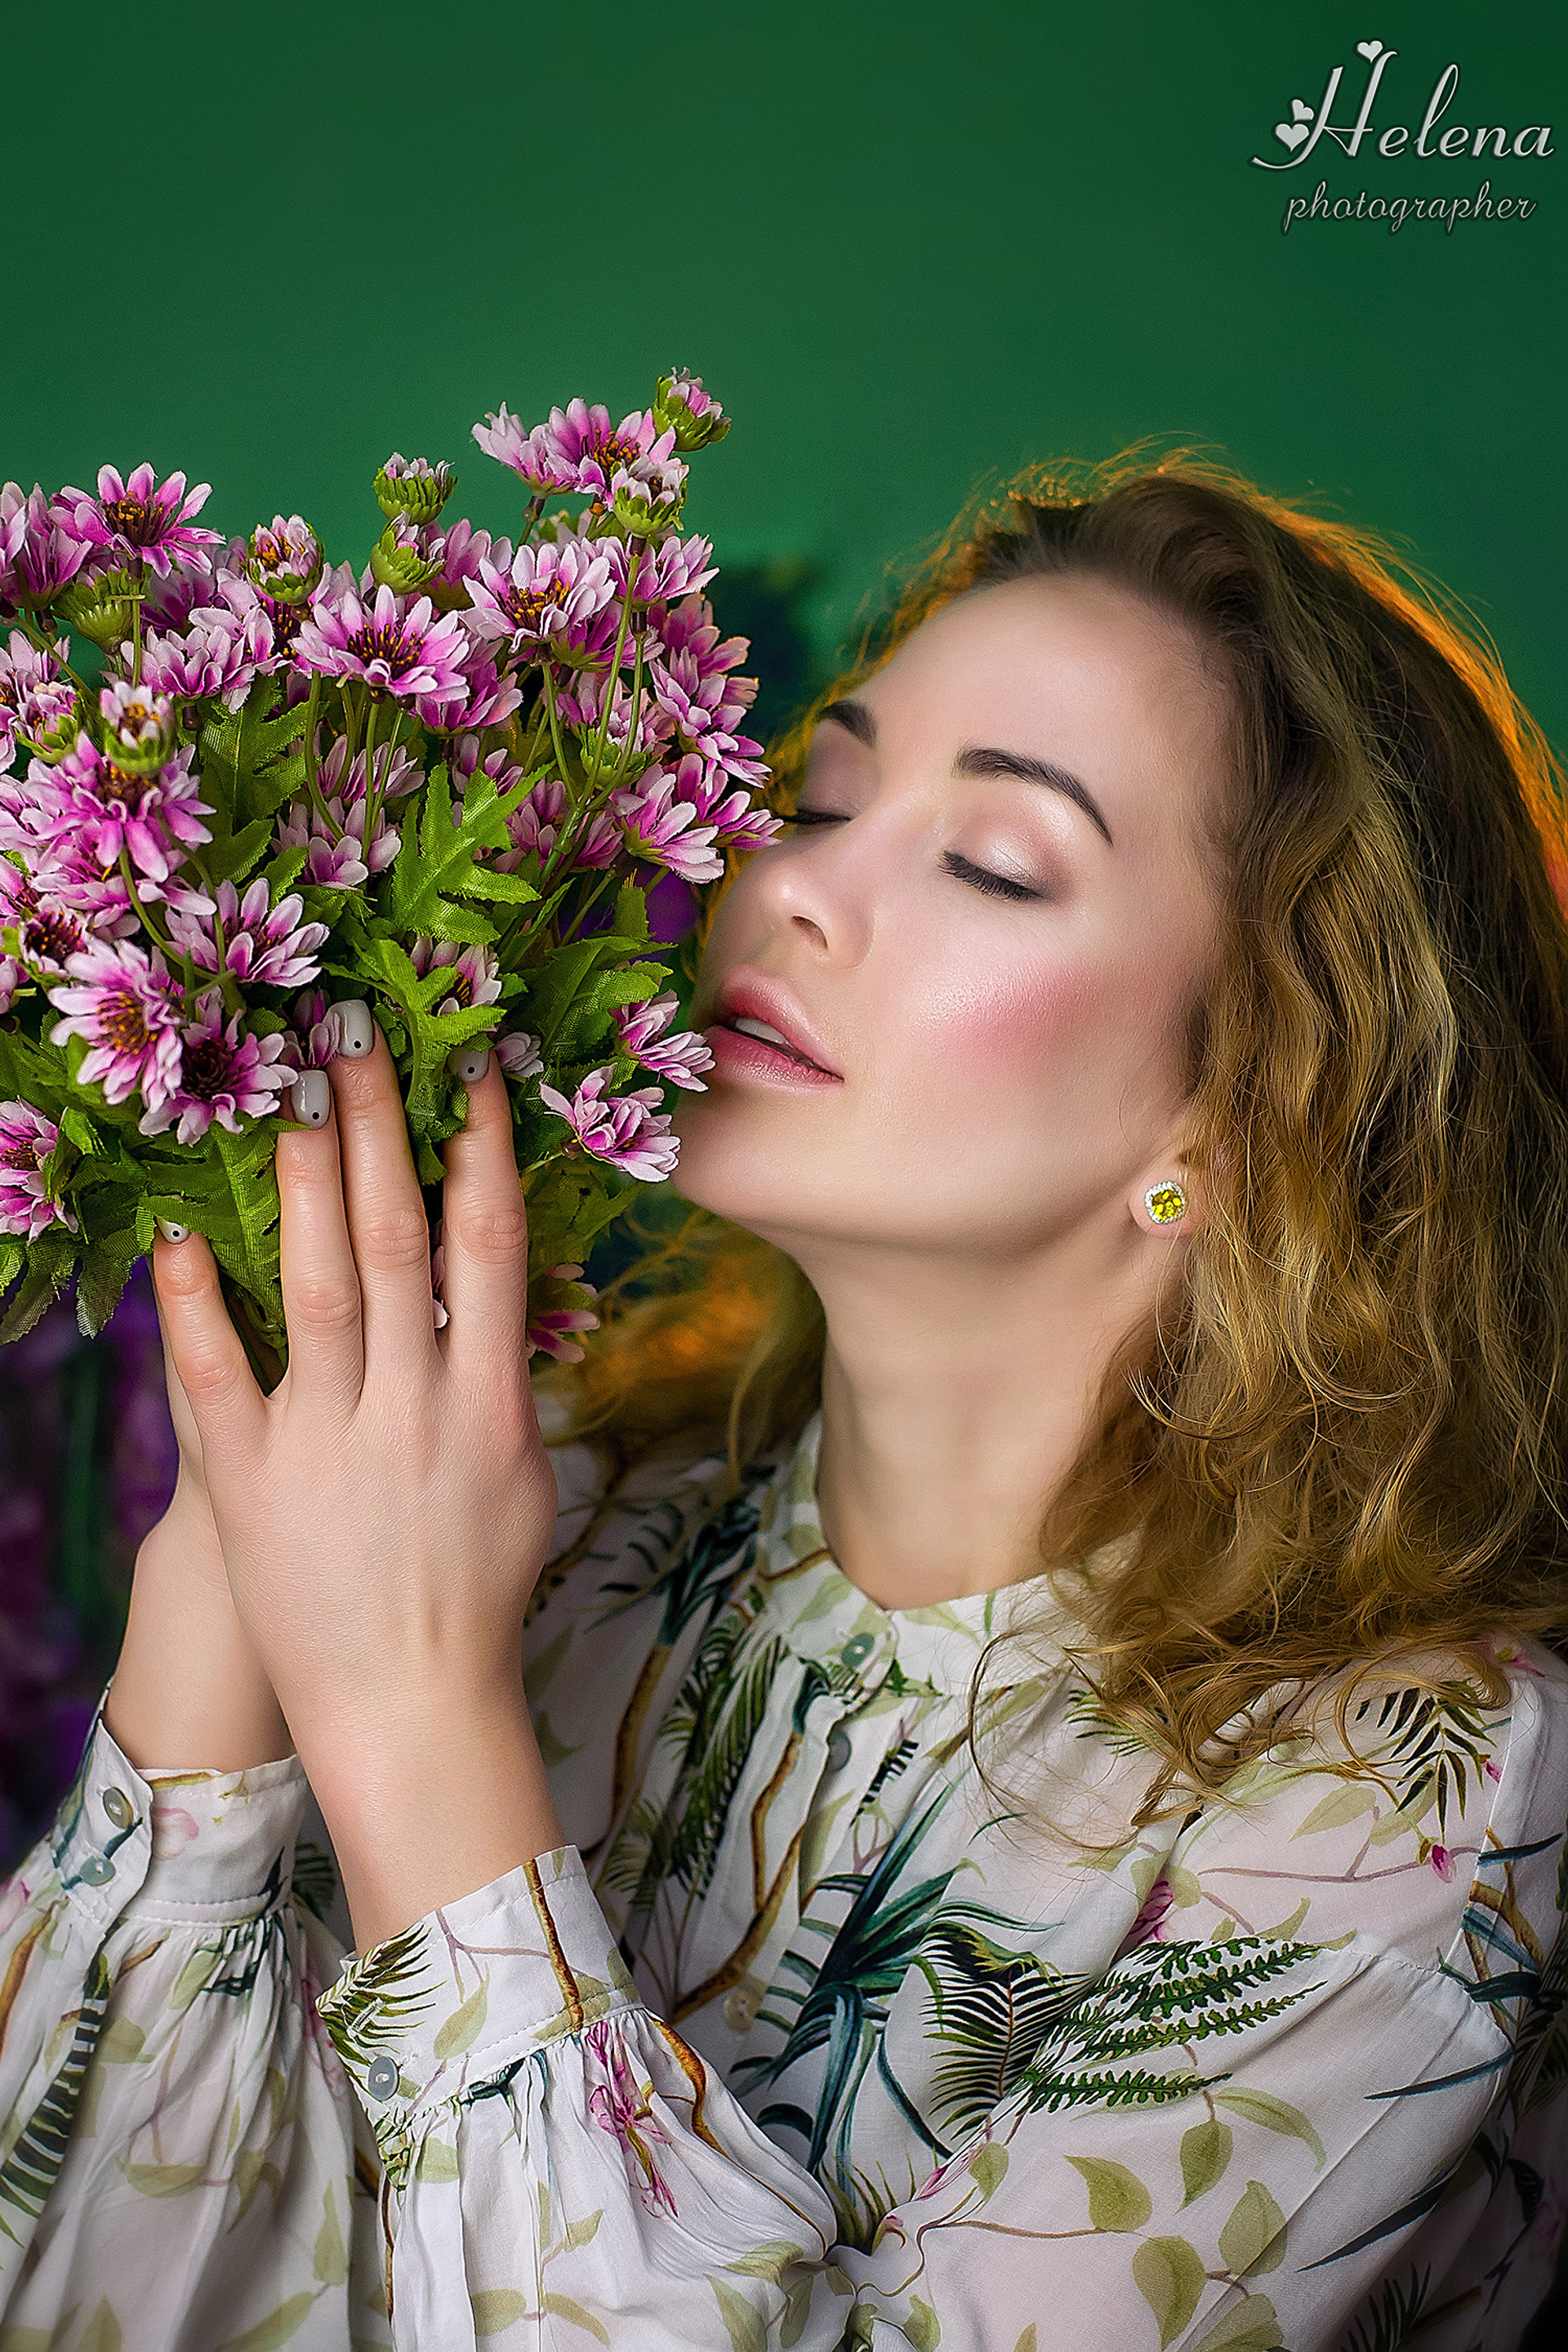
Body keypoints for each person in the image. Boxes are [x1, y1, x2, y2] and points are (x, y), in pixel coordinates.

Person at [2, 455, 1566, 2352]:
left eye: (993, 859)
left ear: (1245, 1110)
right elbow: (79, 2292)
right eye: (821, 795)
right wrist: (220, 1622)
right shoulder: (563, 1510)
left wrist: (414, 1720)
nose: (792, 883)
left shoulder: (1419, 1787)